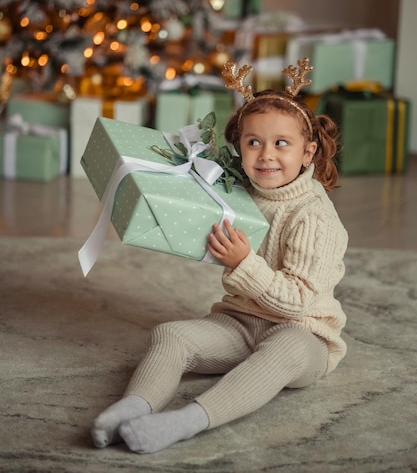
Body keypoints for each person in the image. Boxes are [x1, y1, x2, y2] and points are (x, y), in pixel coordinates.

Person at [91, 58, 348, 454]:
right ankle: (133, 406)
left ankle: (183, 422)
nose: (266, 155)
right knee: (171, 334)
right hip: (240, 322)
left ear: (308, 151)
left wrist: (243, 263)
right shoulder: (235, 192)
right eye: (253, 142)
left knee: (282, 353)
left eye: (282, 143)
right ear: (239, 146)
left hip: (303, 332)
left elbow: (298, 300)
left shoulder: (313, 216)